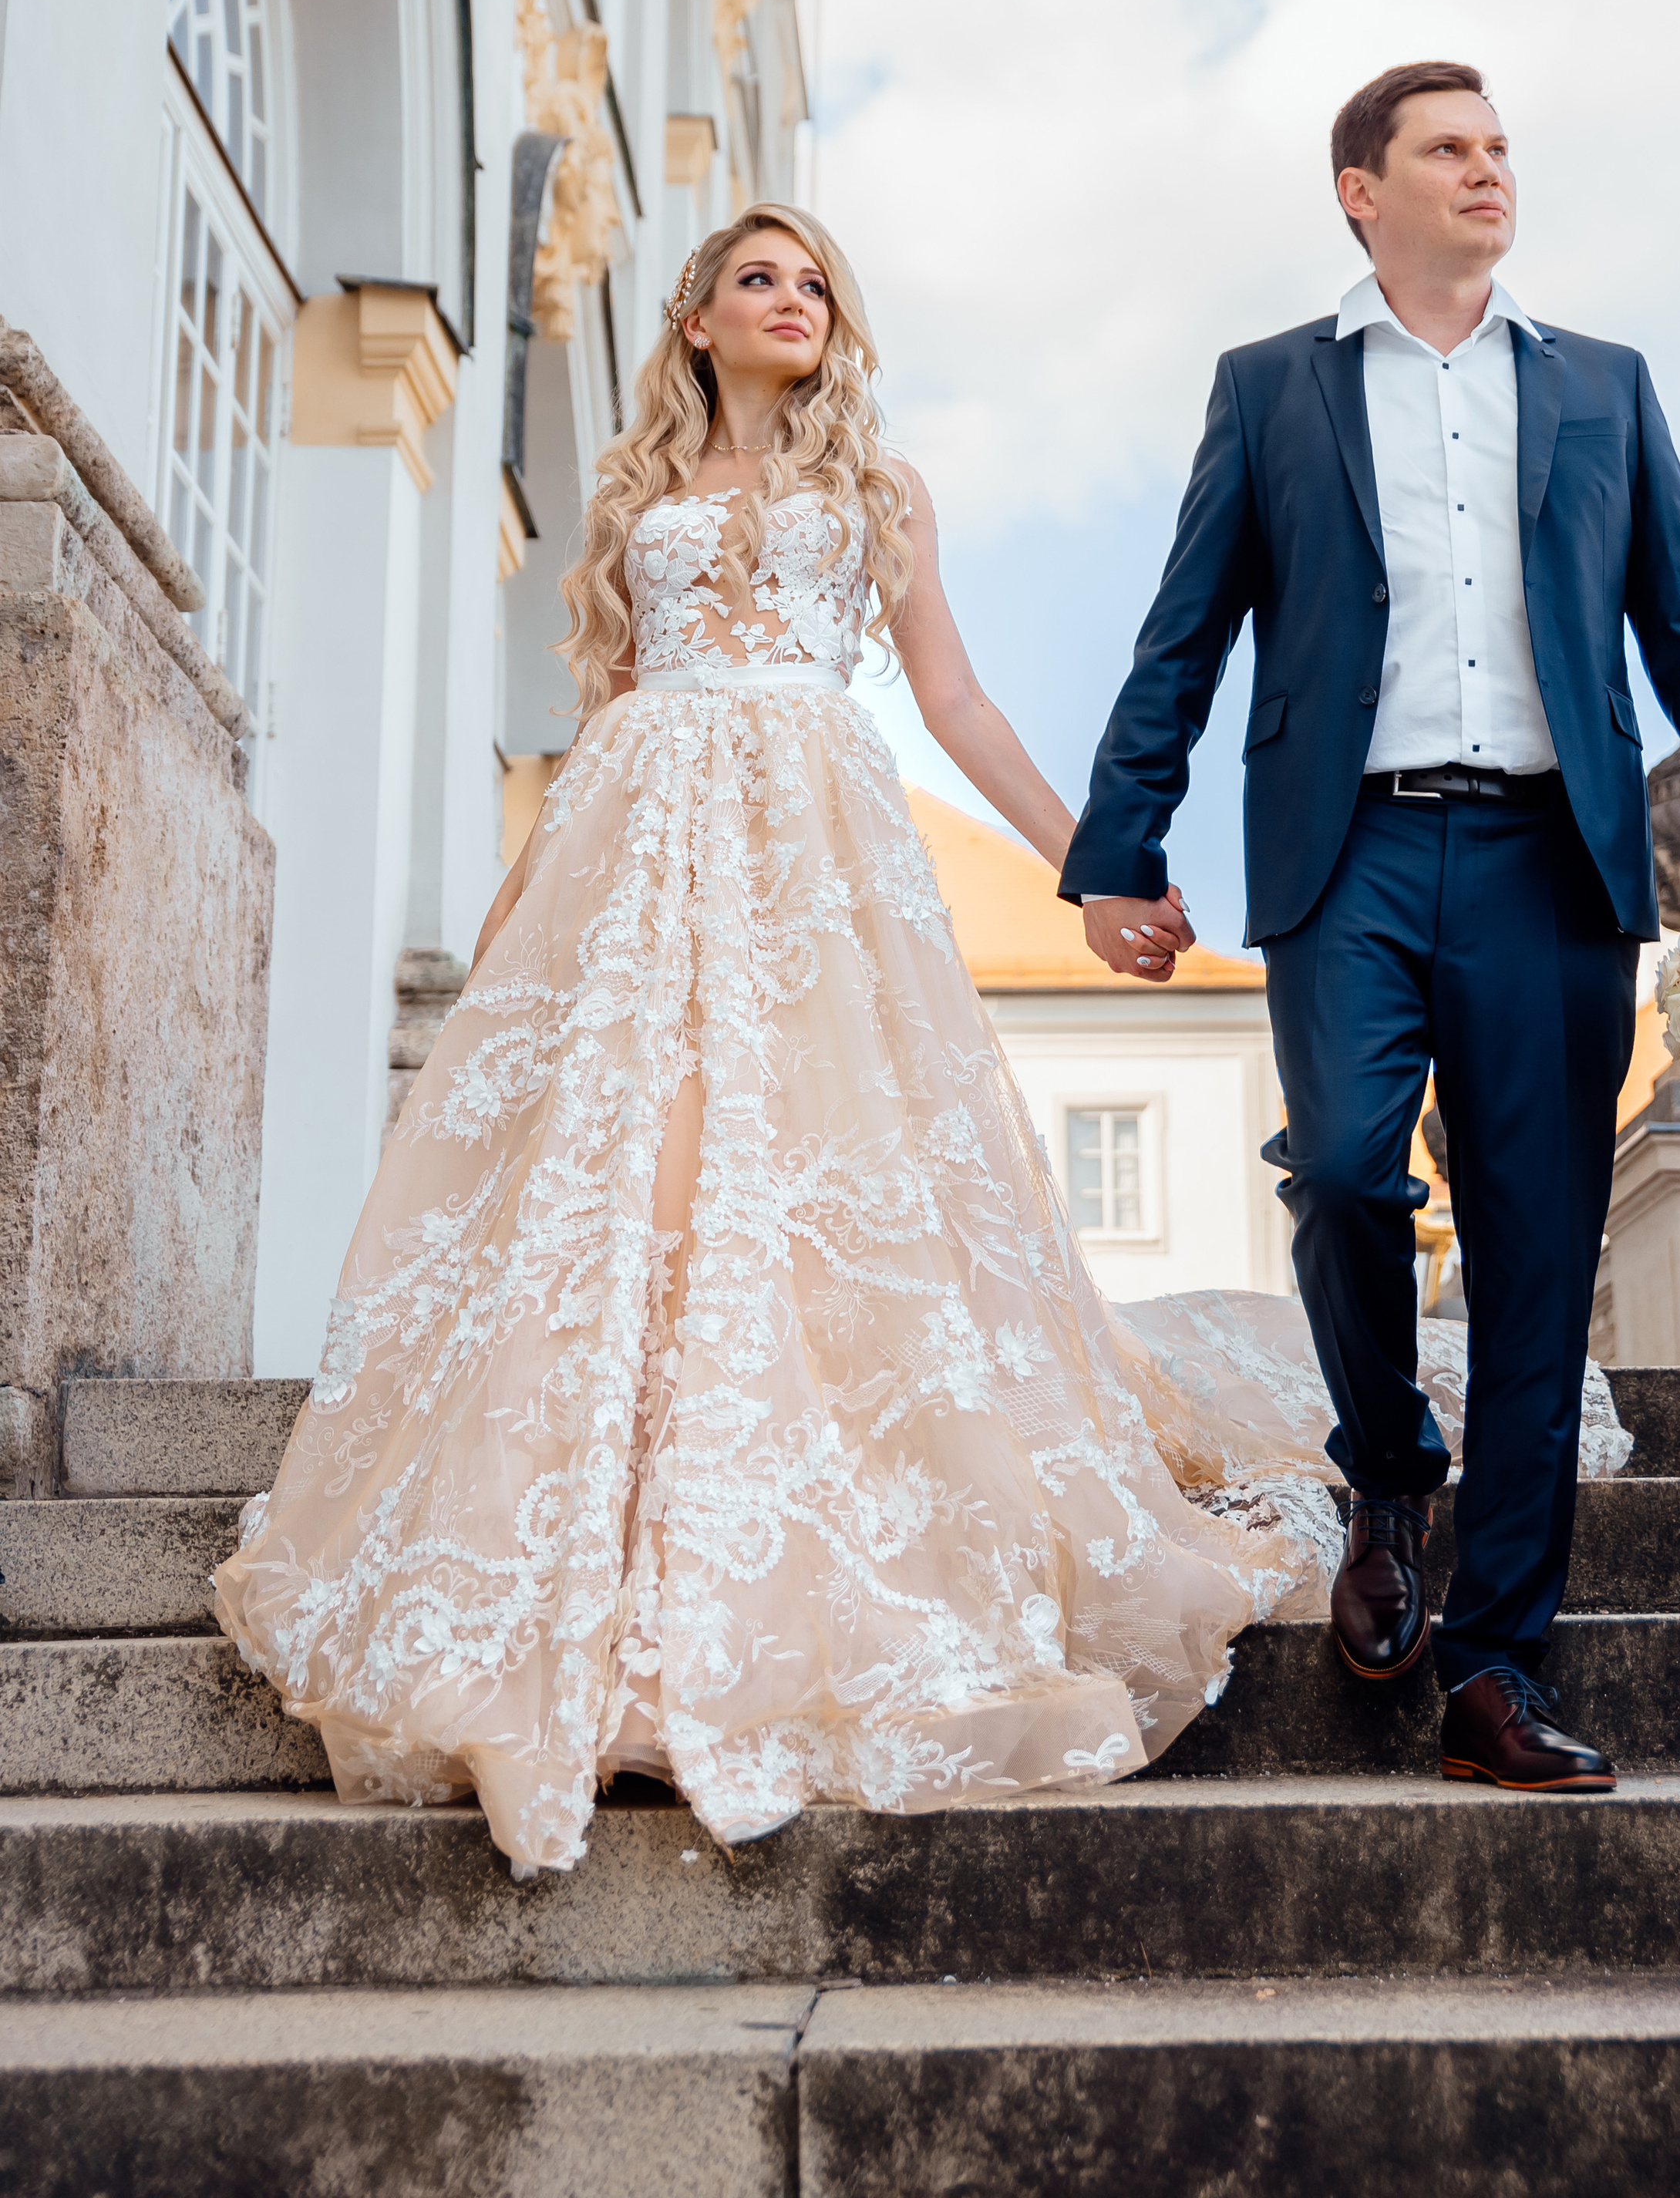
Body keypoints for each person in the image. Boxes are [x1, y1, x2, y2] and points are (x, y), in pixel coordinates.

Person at [217, 204, 1374, 1877]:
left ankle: (780, 1542)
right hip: (640, 842)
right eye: (757, 280)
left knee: (829, 1172)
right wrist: (518, 905)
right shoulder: (632, 505)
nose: (791, 301)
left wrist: (1091, 870)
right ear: (693, 319)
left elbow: (956, 701)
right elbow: (603, 710)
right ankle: (610, 1551)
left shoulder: (879, 491)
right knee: (640, 1178)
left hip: (816, 850)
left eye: (815, 282)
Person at [1061, 62, 1680, 1792]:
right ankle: (1384, 1469)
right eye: (1446, 151)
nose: (1486, 173)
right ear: (1362, 189)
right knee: (1338, 1170)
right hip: (1346, 854)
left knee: (1539, 1261)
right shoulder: (1269, 390)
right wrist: (1120, 846)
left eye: (1497, 150)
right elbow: (1180, 633)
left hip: (1550, 868)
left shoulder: (1599, 388)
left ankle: (1493, 1671)